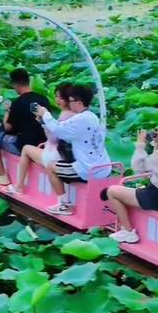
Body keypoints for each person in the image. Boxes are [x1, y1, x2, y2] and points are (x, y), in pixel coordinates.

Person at [103, 117, 158, 243]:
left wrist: (140, 145)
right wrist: (157, 142)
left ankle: (128, 231)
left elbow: (139, 168)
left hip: (155, 196)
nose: (156, 132)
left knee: (112, 191)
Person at [32, 84, 111, 215]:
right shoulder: (92, 117)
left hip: (88, 170)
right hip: (103, 167)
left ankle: (64, 205)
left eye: (71, 101)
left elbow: (58, 130)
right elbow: (67, 135)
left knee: (51, 167)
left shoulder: (80, 119)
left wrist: (45, 114)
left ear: (78, 102)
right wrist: (44, 121)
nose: (69, 103)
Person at [0, 69, 51, 187]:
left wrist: (7, 112)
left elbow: (8, 128)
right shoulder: (44, 99)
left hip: (24, 146)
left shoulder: (17, 103)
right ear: (29, 81)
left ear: (15, 84)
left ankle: (1, 174)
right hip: (43, 145)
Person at [12, 84, 75, 192]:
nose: (57, 100)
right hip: (67, 155)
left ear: (67, 99)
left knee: (26, 149)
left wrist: (43, 122)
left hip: (55, 156)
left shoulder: (64, 115)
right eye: (56, 96)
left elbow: (53, 138)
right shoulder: (76, 114)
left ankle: (19, 186)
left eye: (60, 98)